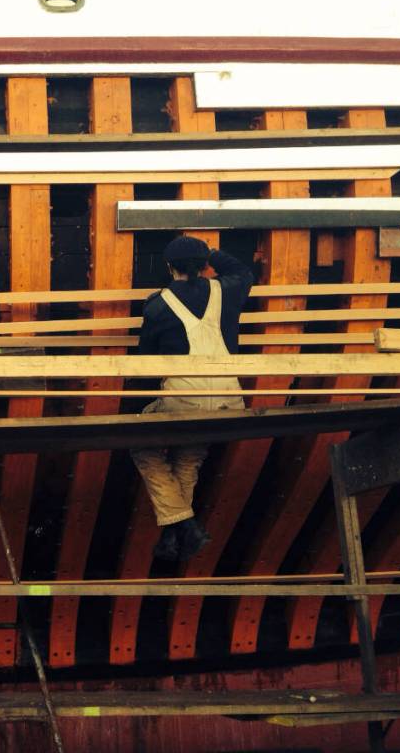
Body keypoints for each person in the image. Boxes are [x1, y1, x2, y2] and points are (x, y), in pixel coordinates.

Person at [132, 235, 253, 563]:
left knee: (140, 439)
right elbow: (243, 270)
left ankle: (182, 524)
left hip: (184, 401)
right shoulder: (226, 289)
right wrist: (209, 251)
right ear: (204, 265)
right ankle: (176, 533)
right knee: (188, 456)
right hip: (230, 401)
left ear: (169, 267)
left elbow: (147, 360)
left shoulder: (158, 304)